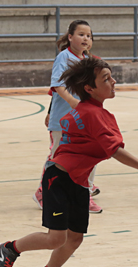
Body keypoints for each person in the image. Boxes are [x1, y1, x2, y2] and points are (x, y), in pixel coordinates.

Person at [0, 57, 138, 267]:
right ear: (89, 88)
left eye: (111, 76)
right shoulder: (92, 114)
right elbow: (114, 151)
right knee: (56, 238)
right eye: (106, 79)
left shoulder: (95, 112)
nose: (113, 81)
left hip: (78, 182)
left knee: (74, 238)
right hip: (59, 179)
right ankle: (10, 249)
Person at [33, 20, 102, 213]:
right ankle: (43, 193)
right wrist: (71, 103)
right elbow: (57, 86)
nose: (85, 38)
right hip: (63, 120)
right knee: (58, 159)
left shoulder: (89, 62)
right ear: (70, 37)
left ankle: (85, 195)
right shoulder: (63, 57)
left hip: (84, 120)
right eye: (81, 34)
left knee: (91, 155)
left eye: (89, 36)